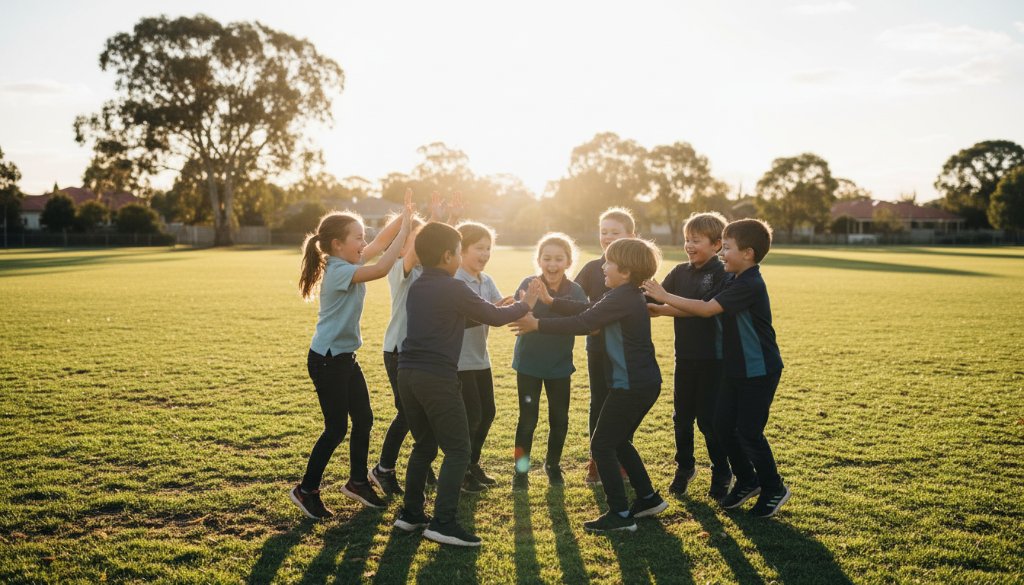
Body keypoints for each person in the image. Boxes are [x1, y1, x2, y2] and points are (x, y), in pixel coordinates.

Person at [394, 222, 539, 547]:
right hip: (436, 378)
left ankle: (411, 514)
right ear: (448, 256)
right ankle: (443, 523)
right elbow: (496, 318)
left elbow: (463, 317)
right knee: (459, 450)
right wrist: (526, 303)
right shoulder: (454, 287)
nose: (460, 257)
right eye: (459, 252)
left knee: (425, 446)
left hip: (408, 374)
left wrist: (493, 310)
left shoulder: (420, 285)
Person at [513, 238, 666, 533]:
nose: (602, 266)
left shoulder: (622, 297)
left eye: (608, 262)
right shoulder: (623, 293)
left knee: (602, 444)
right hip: (643, 383)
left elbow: (584, 322)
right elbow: (589, 309)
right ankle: (647, 498)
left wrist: (538, 324)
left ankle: (620, 515)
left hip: (631, 386)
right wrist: (550, 302)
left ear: (626, 270)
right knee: (619, 441)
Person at [643, 218, 789, 518]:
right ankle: (747, 480)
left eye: (729, 247)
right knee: (722, 427)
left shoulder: (749, 283)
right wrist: (657, 306)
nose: (723, 253)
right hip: (735, 370)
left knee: (748, 433)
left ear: (747, 253)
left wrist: (664, 298)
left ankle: (773, 486)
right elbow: (695, 306)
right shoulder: (734, 278)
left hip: (759, 370)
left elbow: (707, 309)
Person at [289, 196, 413, 520]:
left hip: (344, 358)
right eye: (358, 237)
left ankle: (357, 481)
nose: (364, 242)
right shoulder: (338, 270)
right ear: (337, 244)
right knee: (335, 429)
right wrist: (408, 230)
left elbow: (381, 243)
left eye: (363, 236)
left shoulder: (349, 259)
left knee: (365, 419)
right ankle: (306, 490)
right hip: (327, 360)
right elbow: (384, 264)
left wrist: (403, 217)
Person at [370, 193, 457, 497]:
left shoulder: (425, 271)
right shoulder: (399, 270)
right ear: (403, 244)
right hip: (398, 352)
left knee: (421, 412)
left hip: (417, 354)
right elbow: (417, 246)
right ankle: (383, 469)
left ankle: (423, 465)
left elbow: (434, 244)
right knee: (407, 414)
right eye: (413, 240)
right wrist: (409, 222)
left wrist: (442, 220)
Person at [648, 212, 733, 500]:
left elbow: (704, 307)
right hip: (684, 357)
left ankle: (722, 471)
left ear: (717, 244)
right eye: (687, 240)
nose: (689, 245)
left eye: (696, 240)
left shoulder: (723, 274)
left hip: (715, 360)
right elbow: (656, 297)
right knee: (681, 418)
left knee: (709, 421)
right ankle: (685, 467)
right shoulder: (680, 272)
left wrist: (663, 306)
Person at [510, 233, 588, 489]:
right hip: (529, 364)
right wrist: (529, 302)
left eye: (558, 259)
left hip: (559, 367)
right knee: (527, 420)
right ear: (539, 260)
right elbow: (521, 316)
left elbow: (580, 320)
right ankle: (520, 471)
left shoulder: (575, 290)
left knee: (560, 419)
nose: (552, 265)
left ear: (568, 261)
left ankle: (552, 465)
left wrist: (543, 320)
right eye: (547, 259)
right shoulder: (528, 282)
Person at [567, 207, 637, 484]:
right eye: (603, 232)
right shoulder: (592, 268)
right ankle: (598, 459)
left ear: (631, 236)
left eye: (615, 232)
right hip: (597, 347)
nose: (607, 237)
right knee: (599, 401)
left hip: (626, 350)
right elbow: (569, 295)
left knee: (622, 403)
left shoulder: (637, 268)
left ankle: (621, 459)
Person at [454, 221, 513, 492]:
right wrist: (495, 311)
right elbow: (482, 313)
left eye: (488, 248)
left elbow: (496, 309)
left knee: (487, 412)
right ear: (461, 249)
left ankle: (472, 464)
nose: (485, 254)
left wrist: (516, 304)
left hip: (481, 358)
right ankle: (462, 471)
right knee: (471, 415)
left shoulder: (485, 280)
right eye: (479, 248)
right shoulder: (454, 280)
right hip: (458, 361)